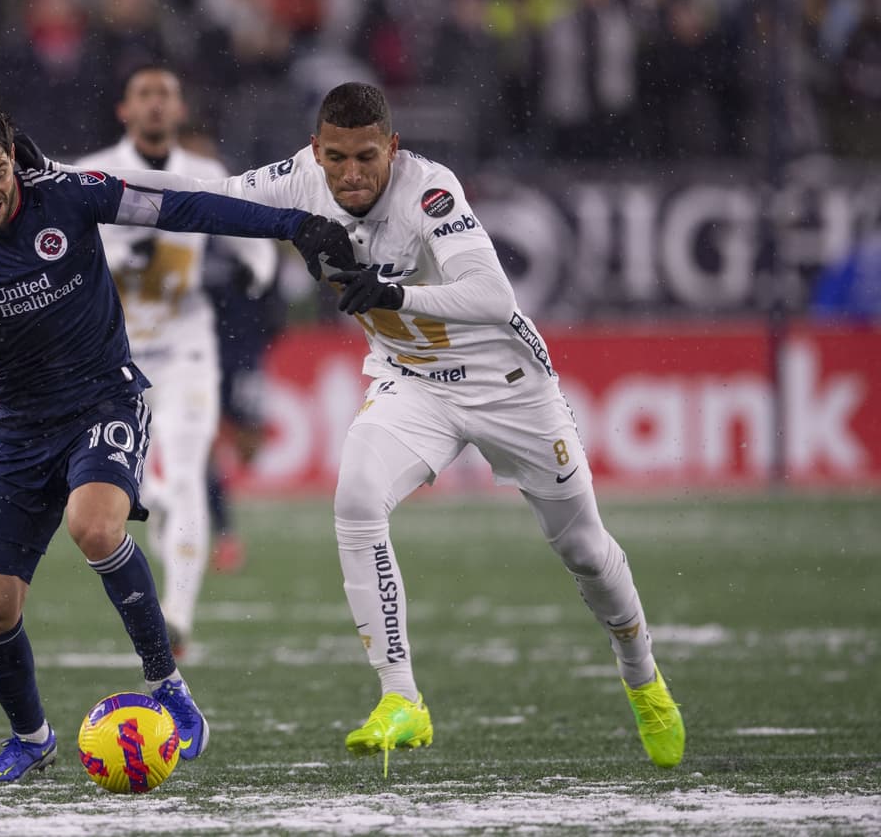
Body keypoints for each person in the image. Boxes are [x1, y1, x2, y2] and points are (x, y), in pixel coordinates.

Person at [42, 82, 685, 773]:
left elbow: (494, 296)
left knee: (585, 549)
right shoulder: (298, 179)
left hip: (509, 389)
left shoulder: (430, 191)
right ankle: (401, 698)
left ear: (393, 149)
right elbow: (196, 193)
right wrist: (57, 180)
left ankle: (643, 676)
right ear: (317, 150)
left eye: (367, 158)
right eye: (338, 157)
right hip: (411, 382)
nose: (351, 174)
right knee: (355, 500)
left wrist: (395, 291)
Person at [0, 95, 353, 784]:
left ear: (10, 159)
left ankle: (170, 690)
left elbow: (186, 208)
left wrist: (294, 224)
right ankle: (31, 738)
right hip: (20, 430)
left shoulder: (68, 195)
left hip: (102, 398)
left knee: (94, 525)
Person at [71, 66, 278, 655]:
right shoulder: (93, 173)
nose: (157, 105)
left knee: (186, 473)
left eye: (166, 95)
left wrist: (245, 274)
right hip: (116, 357)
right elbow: (60, 254)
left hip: (188, 349)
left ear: (180, 109)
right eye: (145, 94)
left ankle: (176, 619)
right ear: (124, 109)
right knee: (128, 486)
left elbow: (256, 247)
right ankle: (151, 500)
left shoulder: (207, 174)